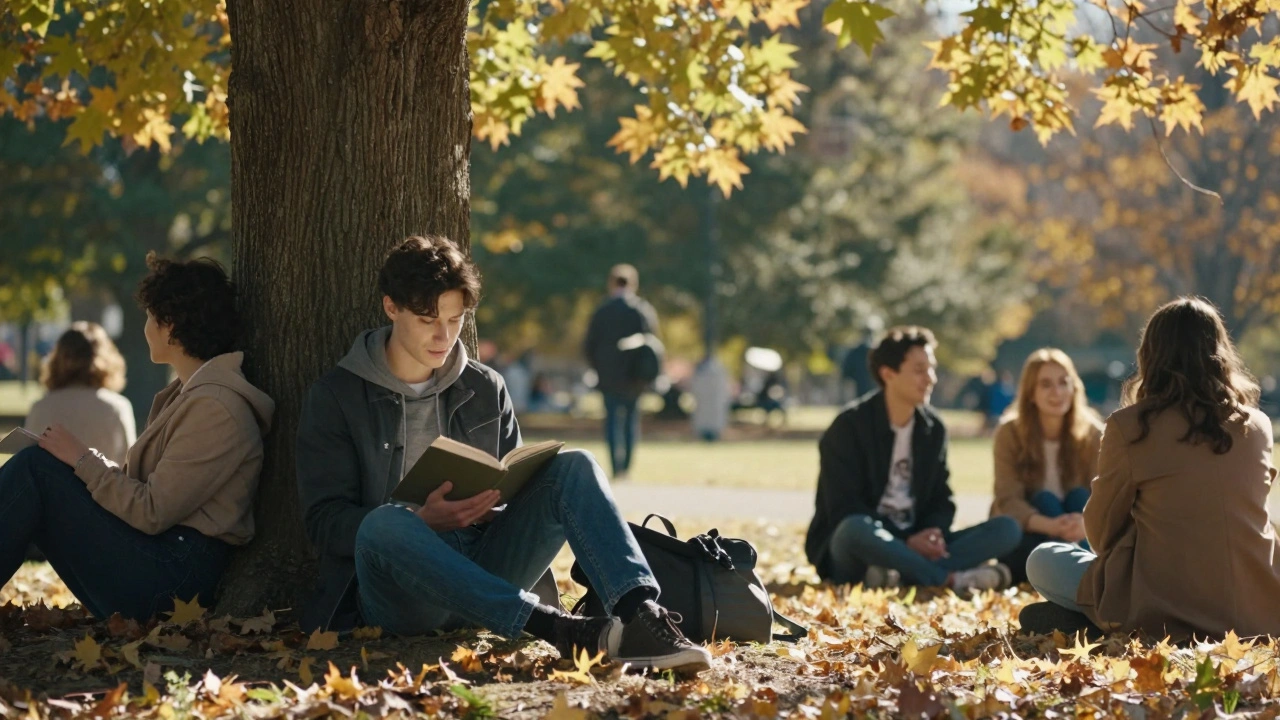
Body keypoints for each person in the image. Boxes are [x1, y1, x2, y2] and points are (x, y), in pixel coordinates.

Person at [296, 236, 710, 672]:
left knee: (576, 466)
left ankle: (642, 617)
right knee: (384, 523)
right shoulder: (337, 396)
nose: (444, 336)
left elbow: (515, 482)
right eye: (427, 320)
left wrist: (492, 505)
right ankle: (561, 630)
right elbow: (325, 522)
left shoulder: (484, 386)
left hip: (489, 564)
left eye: (455, 320)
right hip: (405, 593)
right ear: (391, 308)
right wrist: (421, 520)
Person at [0, 254, 275, 621]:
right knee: (43, 466)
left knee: (37, 469)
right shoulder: (191, 395)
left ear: (171, 325)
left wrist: (83, 460)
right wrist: (82, 460)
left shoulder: (216, 407)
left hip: (173, 577)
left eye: (149, 316)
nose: (145, 326)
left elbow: (152, 510)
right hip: (162, 559)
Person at [1024, 297, 1280, 639]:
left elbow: (1100, 534)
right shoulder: (1259, 426)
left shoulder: (1130, 427)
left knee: (1042, 559)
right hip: (1257, 608)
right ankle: (1095, 619)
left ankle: (1096, 620)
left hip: (1163, 610)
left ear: (1151, 354)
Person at [804, 326, 1021, 591]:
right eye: (920, 370)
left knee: (1007, 529)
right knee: (854, 528)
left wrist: (931, 532)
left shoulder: (933, 428)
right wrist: (906, 541)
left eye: (932, 368)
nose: (930, 379)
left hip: (915, 543)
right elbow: (844, 508)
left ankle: (895, 576)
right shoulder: (848, 427)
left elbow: (943, 498)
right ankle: (951, 579)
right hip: (859, 547)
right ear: (888, 374)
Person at [990, 349, 1102, 584]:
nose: (1057, 392)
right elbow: (1008, 500)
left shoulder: (1093, 435)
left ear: (1074, 388)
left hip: (1081, 528)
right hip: (1035, 530)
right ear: (1030, 393)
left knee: (1079, 495)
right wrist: (1052, 526)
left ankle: (1072, 570)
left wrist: (1084, 525)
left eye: (1064, 383)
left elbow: (1104, 497)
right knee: (1044, 500)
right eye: (1046, 384)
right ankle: (1085, 573)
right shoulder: (1010, 433)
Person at [583, 264, 660, 480]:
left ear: (611, 284)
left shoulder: (602, 311)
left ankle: (615, 467)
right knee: (630, 422)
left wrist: (598, 368)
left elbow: (589, 345)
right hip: (635, 378)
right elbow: (651, 344)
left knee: (611, 422)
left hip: (608, 377)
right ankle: (625, 468)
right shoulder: (641, 310)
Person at [25, 322, 137, 465]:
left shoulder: (40, 407)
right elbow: (130, 468)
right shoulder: (117, 407)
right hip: (103, 486)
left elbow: (28, 463)